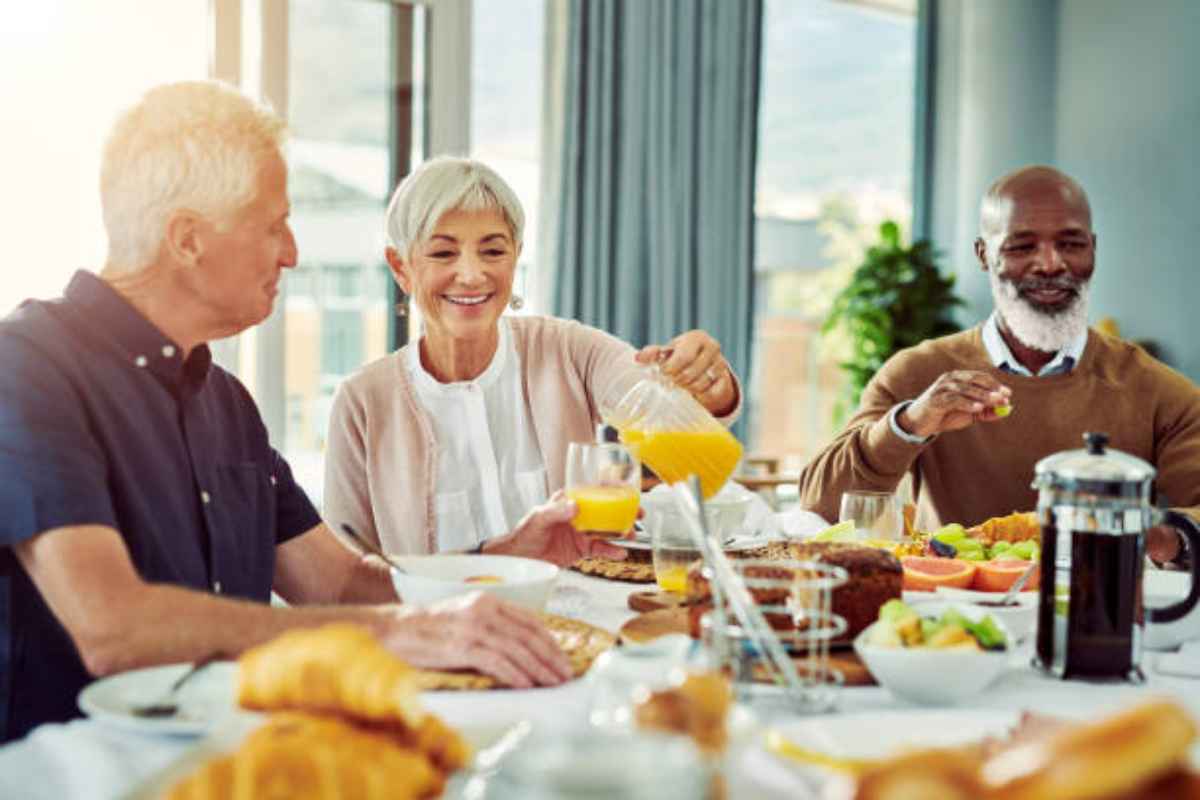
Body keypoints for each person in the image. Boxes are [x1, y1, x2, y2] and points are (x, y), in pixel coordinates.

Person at [0, 82, 574, 743]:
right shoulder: (29, 369)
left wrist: (499, 562)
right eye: (274, 225)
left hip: (227, 761)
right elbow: (112, 626)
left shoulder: (226, 401)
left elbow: (334, 583)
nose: (292, 252)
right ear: (188, 239)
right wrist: (393, 632)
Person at [323, 156, 742, 557]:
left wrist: (705, 382)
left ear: (516, 256)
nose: (471, 274)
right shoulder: (362, 402)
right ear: (401, 268)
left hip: (577, 626)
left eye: (492, 251)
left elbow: (655, 397)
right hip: (437, 628)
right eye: (443, 253)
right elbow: (347, 575)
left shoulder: (569, 349)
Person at [798, 165, 1200, 564]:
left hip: (1095, 614)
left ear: (1092, 249)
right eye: (1021, 246)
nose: (1049, 264)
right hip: (948, 611)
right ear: (983, 254)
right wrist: (910, 424)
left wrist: (1160, 536)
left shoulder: (1156, 388)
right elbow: (820, 505)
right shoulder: (917, 373)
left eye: (1071, 244)